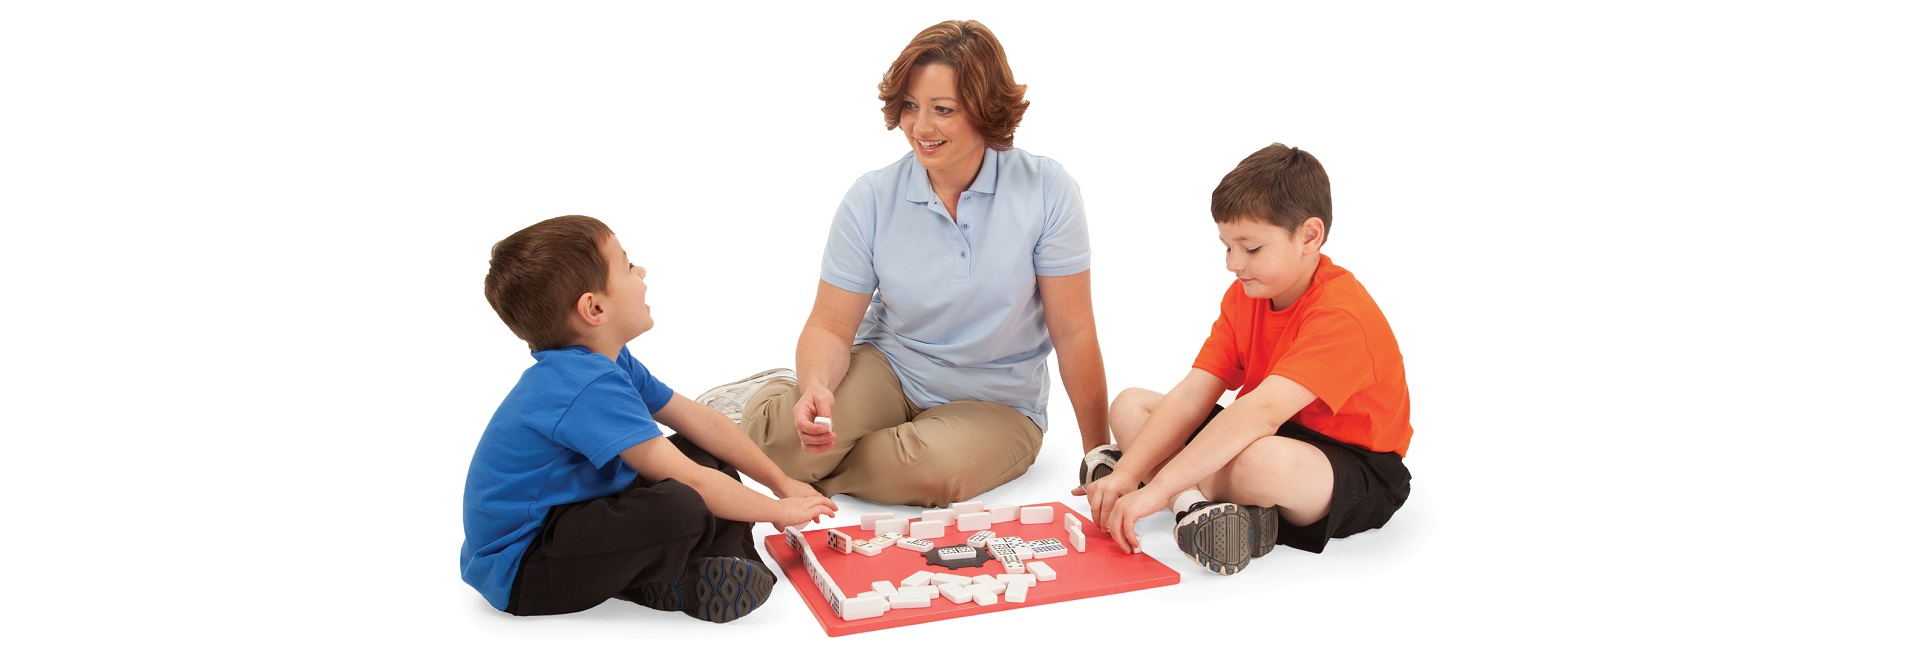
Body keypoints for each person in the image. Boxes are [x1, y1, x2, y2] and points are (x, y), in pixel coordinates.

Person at [697, 20, 1110, 508]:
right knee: (789, 447)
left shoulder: (1047, 189)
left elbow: (1074, 332)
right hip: (891, 366)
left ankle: (820, 454)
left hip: (997, 401)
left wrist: (1098, 454)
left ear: (985, 109)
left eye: (943, 109)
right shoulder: (871, 197)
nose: (920, 127)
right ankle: (773, 406)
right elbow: (830, 326)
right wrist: (815, 387)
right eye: (910, 106)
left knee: (927, 472)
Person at [461, 215, 837, 621]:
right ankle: (663, 580)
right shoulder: (582, 384)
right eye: (627, 266)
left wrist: (781, 484)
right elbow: (691, 482)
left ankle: (723, 565)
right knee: (682, 503)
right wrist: (778, 511)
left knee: (703, 453)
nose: (641, 271)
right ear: (595, 308)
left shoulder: (607, 360)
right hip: (527, 567)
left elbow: (700, 421)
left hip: (578, 512)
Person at [1073, 144, 1414, 575]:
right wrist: (1128, 475)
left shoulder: (1341, 314)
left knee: (1261, 462)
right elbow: (1192, 395)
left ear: (1309, 236)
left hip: (1348, 465)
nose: (1233, 264)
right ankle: (1196, 507)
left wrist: (1153, 486)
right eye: (1227, 247)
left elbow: (1259, 413)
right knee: (1130, 404)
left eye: (1251, 249)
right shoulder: (1246, 295)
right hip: (1262, 431)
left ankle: (1179, 492)